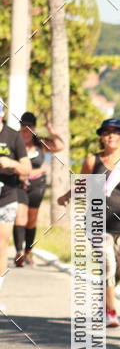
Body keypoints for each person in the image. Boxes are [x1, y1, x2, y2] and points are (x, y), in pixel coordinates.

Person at [58, 118, 120, 327]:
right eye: (107, 132)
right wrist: (67, 196)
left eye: (116, 132)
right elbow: (82, 185)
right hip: (97, 222)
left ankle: (104, 303)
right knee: (108, 263)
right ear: (101, 137)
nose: (111, 136)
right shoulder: (92, 161)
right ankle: (111, 311)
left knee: (117, 269)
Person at [13, 111, 64, 266]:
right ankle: (19, 253)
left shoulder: (40, 142)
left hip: (37, 185)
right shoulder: (14, 141)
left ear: (34, 128)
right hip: (19, 184)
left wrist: (50, 128)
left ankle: (28, 252)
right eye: (23, 126)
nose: (26, 129)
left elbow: (60, 146)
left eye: (30, 126)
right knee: (20, 217)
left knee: (31, 220)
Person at [0, 99, 31, 307]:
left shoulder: (13, 136)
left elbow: (26, 168)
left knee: (1, 244)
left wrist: (11, 163)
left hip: (7, 195)